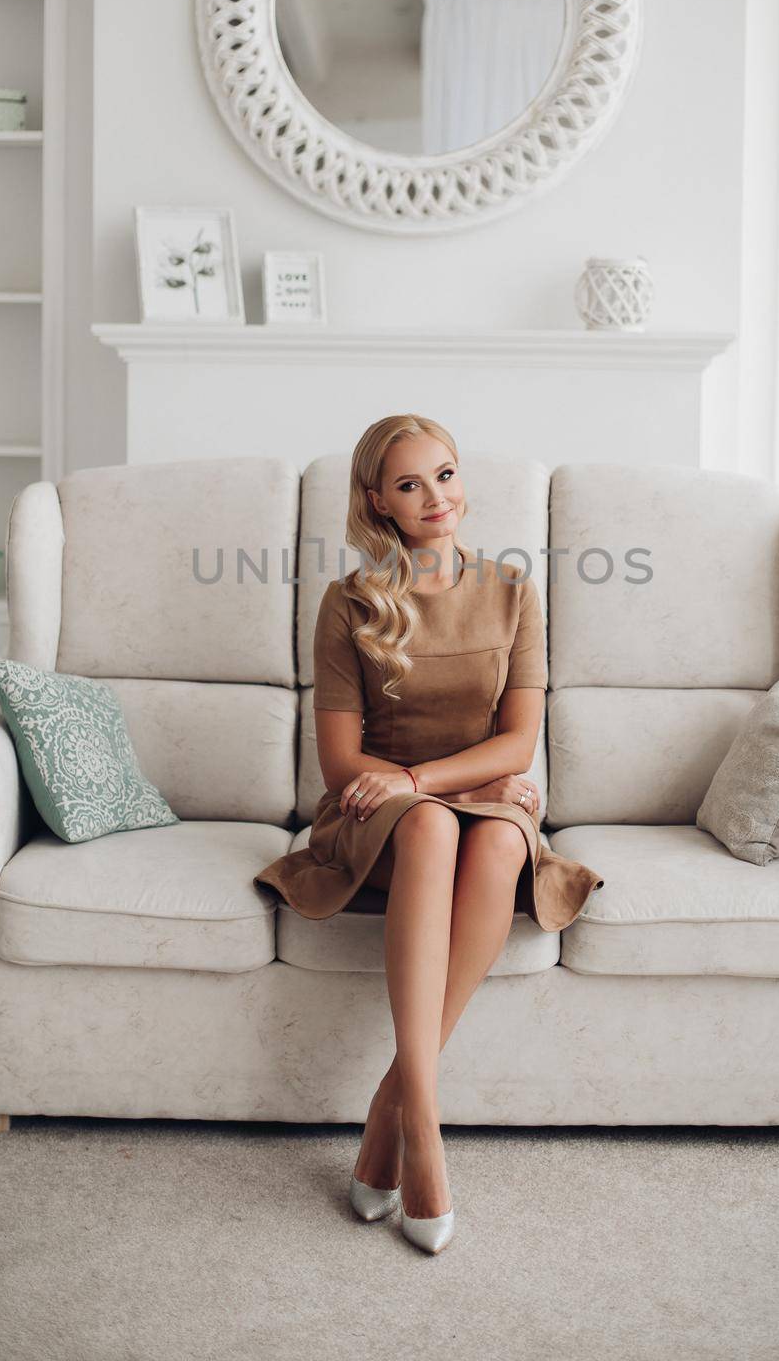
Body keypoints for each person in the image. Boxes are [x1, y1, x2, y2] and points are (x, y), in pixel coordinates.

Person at [253, 414, 604, 1254]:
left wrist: (432, 781)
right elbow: (342, 767)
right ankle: (430, 1134)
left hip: (471, 801)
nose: (435, 497)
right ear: (378, 501)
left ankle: (393, 1121)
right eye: (410, 484)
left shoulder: (514, 591)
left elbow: (518, 745)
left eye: (444, 475)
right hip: (381, 820)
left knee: (497, 837)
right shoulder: (348, 602)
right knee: (436, 832)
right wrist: (421, 789)